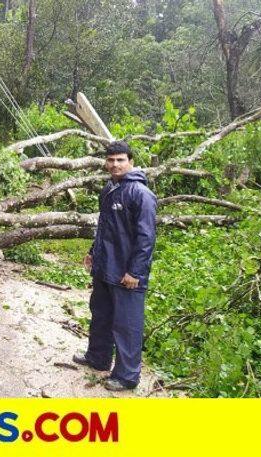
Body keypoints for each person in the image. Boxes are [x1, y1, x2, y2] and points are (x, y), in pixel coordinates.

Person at [73, 140, 157, 391]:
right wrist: (92, 253)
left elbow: (146, 238)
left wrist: (135, 272)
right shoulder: (110, 189)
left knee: (126, 325)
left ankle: (127, 377)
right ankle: (97, 358)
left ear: (130, 162)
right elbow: (105, 228)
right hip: (105, 267)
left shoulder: (141, 194)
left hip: (126, 274)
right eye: (110, 160)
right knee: (100, 315)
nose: (115, 164)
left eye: (120, 160)